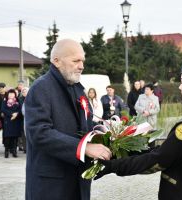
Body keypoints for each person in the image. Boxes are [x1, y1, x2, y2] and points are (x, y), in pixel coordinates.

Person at [95, 61, 182, 200]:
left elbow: (159, 160)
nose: (180, 87)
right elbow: (175, 151)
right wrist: (131, 153)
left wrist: (114, 165)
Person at [25, 39, 112, 200]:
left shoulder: (77, 87)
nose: (81, 66)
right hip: (51, 185)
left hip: (77, 180)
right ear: (56, 61)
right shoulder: (41, 88)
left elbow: (84, 123)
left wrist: (103, 131)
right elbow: (39, 133)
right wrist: (83, 148)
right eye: (76, 60)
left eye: (82, 61)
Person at [1, 89, 22, 158]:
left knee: (15, 137)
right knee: (8, 137)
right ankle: (6, 151)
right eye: (10, 94)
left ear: (15, 94)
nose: (11, 95)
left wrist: (16, 114)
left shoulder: (18, 100)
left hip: (16, 121)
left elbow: (21, 109)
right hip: (8, 120)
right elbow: (3, 109)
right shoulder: (5, 101)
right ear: (8, 94)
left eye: (12, 94)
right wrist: (11, 114)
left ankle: (14, 151)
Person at [18, 86, 29, 153]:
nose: (24, 92)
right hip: (21, 118)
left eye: (25, 91)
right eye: (23, 91)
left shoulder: (31, 98)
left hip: (30, 118)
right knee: (23, 134)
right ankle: (25, 148)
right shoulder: (19, 99)